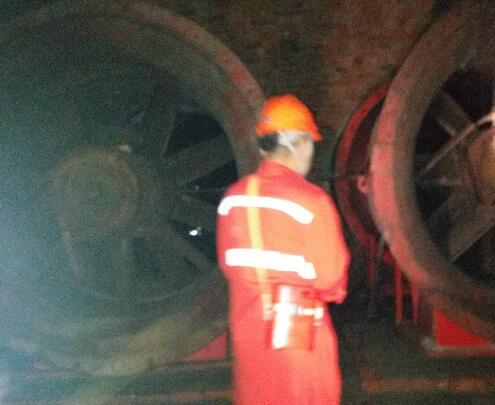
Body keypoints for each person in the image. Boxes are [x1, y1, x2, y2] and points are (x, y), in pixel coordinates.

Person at [216, 94, 350, 405]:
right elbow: (331, 281)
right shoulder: (312, 200)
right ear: (300, 143)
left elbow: (228, 265)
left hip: (249, 335)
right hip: (300, 343)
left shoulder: (234, 197)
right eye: (310, 143)